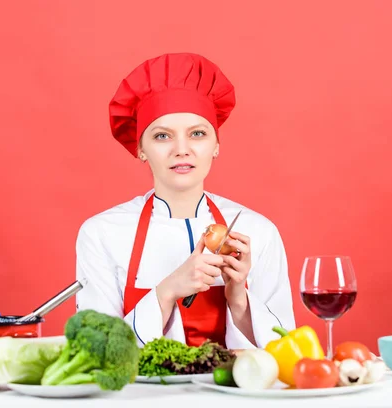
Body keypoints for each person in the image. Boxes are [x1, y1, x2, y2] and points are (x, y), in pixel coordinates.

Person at [75, 52, 295, 350]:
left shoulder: (258, 231)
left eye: (198, 134)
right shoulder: (102, 233)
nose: (182, 149)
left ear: (216, 145)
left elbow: (286, 352)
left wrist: (238, 297)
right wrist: (167, 291)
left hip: (234, 395)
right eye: (162, 136)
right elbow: (97, 353)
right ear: (140, 148)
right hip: (140, 397)